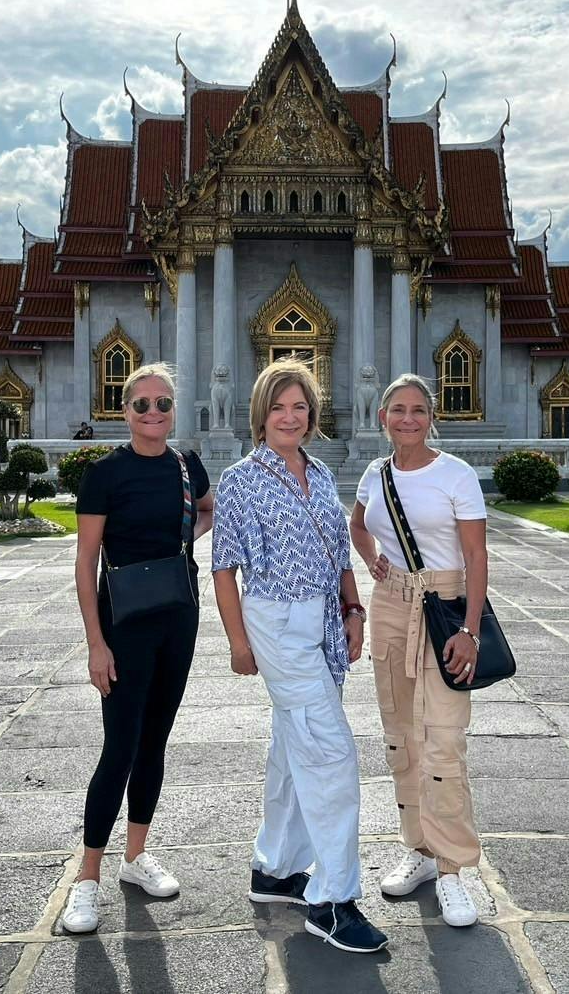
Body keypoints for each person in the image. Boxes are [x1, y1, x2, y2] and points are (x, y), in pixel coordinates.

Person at [212, 359, 389, 955]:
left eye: (301, 407)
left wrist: (354, 610)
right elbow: (223, 569)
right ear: (262, 414)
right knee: (330, 752)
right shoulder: (241, 479)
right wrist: (239, 642)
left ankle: (277, 869)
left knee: (295, 745)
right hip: (277, 619)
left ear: (313, 416)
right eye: (280, 407)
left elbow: (340, 552)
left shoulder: (317, 472)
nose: (291, 417)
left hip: (325, 621)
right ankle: (333, 900)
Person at [61, 364, 213, 934]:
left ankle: (135, 858)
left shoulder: (184, 465)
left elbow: (206, 510)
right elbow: (85, 562)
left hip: (178, 616)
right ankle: (86, 878)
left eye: (163, 404)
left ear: (174, 410)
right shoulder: (105, 474)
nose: (154, 414)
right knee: (119, 747)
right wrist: (95, 644)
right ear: (123, 411)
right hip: (122, 623)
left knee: (154, 743)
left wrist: (176, 545)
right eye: (142, 405)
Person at [349, 373, 488, 928]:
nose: (407, 419)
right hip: (391, 604)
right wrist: (371, 559)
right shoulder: (374, 474)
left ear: (432, 417)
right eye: (397, 410)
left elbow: (476, 556)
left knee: (443, 741)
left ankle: (453, 869)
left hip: (446, 606)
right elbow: (358, 526)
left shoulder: (455, 474)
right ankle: (421, 852)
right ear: (382, 417)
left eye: (417, 410)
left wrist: (470, 629)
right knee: (400, 735)